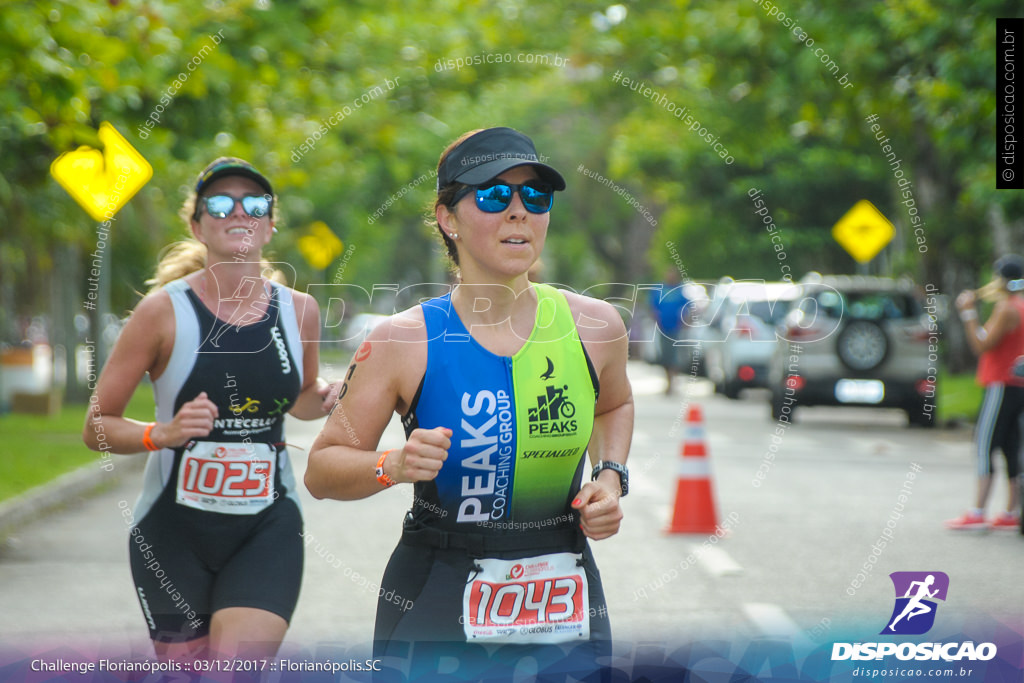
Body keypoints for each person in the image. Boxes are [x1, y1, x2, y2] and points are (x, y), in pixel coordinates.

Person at [305, 127, 634, 676]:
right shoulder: (402, 340)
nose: (518, 212)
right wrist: (393, 465)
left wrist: (611, 475)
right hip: (436, 589)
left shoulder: (596, 326)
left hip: (563, 587)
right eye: (492, 195)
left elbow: (613, 405)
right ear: (447, 217)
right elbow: (321, 468)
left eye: (535, 196)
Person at [83, 157, 339, 659]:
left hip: (267, 523)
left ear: (269, 225)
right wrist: (163, 433)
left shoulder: (299, 309)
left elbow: (302, 399)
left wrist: (325, 397)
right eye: (220, 203)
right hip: (172, 532)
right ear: (198, 225)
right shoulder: (162, 311)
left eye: (254, 203)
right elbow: (96, 427)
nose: (238, 212)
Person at [945, 255, 1024, 531]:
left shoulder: (1007, 308)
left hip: (1000, 384)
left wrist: (968, 312)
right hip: (1018, 385)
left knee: (984, 444)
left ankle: (978, 510)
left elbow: (982, 344)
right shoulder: (1021, 306)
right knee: (1012, 446)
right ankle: (1010, 512)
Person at [649, 268, 691, 394]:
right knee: (665, 356)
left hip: (676, 329)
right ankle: (668, 380)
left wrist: (686, 321)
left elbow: (688, 306)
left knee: (674, 356)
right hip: (663, 328)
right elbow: (653, 306)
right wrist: (656, 320)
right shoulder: (659, 290)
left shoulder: (680, 290)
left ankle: (672, 382)